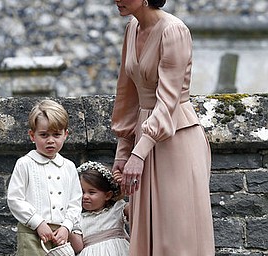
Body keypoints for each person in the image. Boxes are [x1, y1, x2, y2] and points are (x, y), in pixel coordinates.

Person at [111, 0, 215, 255]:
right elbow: (127, 96)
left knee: (176, 233)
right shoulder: (132, 28)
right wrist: (123, 150)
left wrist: (138, 153)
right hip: (143, 141)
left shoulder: (174, 31)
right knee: (145, 229)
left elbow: (168, 100)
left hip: (177, 140)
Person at [7, 99, 82, 255]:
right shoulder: (25, 164)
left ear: (65, 134)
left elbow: (75, 202)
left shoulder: (69, 167)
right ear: (32, 135)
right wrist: (38, 223)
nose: (50, 140)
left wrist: (67, 226)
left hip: (61, 235)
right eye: (43, 135)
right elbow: (15, 199)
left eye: (56, 134)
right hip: (31, 232)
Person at [74, 161, 130, 256]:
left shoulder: (117, 209)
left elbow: (137, 211)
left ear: (107, 195)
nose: (85, 196)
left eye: (91, 192)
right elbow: (77, 246)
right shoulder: (78, 218)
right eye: (81, 192)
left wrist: (126, 185)